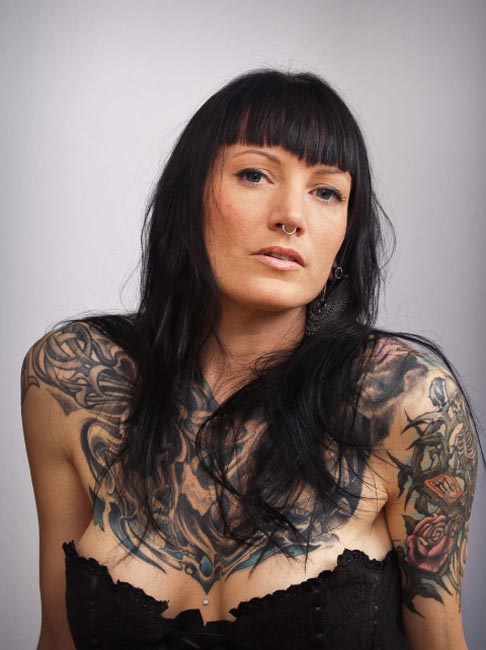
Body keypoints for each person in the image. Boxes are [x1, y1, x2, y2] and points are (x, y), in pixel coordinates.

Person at [21, 68, 481, 650]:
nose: (292, 215)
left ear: (345, 233)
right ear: (189, 198)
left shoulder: (405, 401)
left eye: (326, 192)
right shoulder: (72, 376)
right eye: (255, 174)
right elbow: (57, 637)